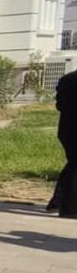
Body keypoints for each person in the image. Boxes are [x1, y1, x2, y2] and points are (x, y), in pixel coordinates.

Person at [51, 70, 77, 217]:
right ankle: (69, 208)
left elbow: (59, 105)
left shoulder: (67, 79)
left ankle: (57, 201)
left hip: (66, 130)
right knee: (74, 166)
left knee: (72, 164)